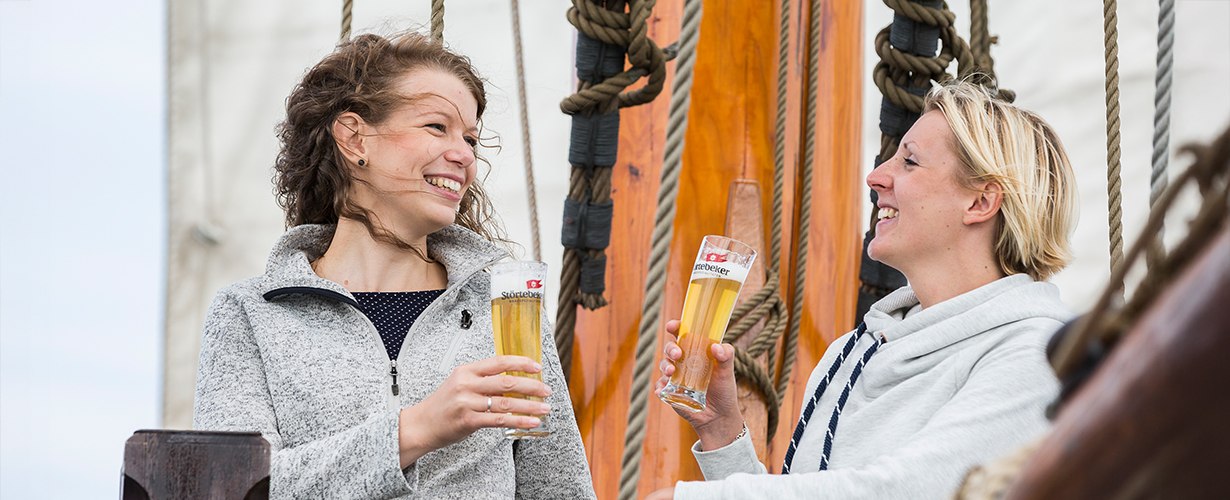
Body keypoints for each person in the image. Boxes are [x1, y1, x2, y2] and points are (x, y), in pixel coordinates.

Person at [193, 31, 595, 499]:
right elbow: (230, 488)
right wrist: (416, 430)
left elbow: (560, 491)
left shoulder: (505, 311)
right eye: (436, 127)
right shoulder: (249, 313)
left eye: (470, 138)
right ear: (354, 138)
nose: (465, 154)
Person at [650, 80, 1078, 499]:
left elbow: (908, 492)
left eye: (909, 162)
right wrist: (722, 432)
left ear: (980, 202)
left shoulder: (1036, 355)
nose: (875, 176)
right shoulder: (851, 351)